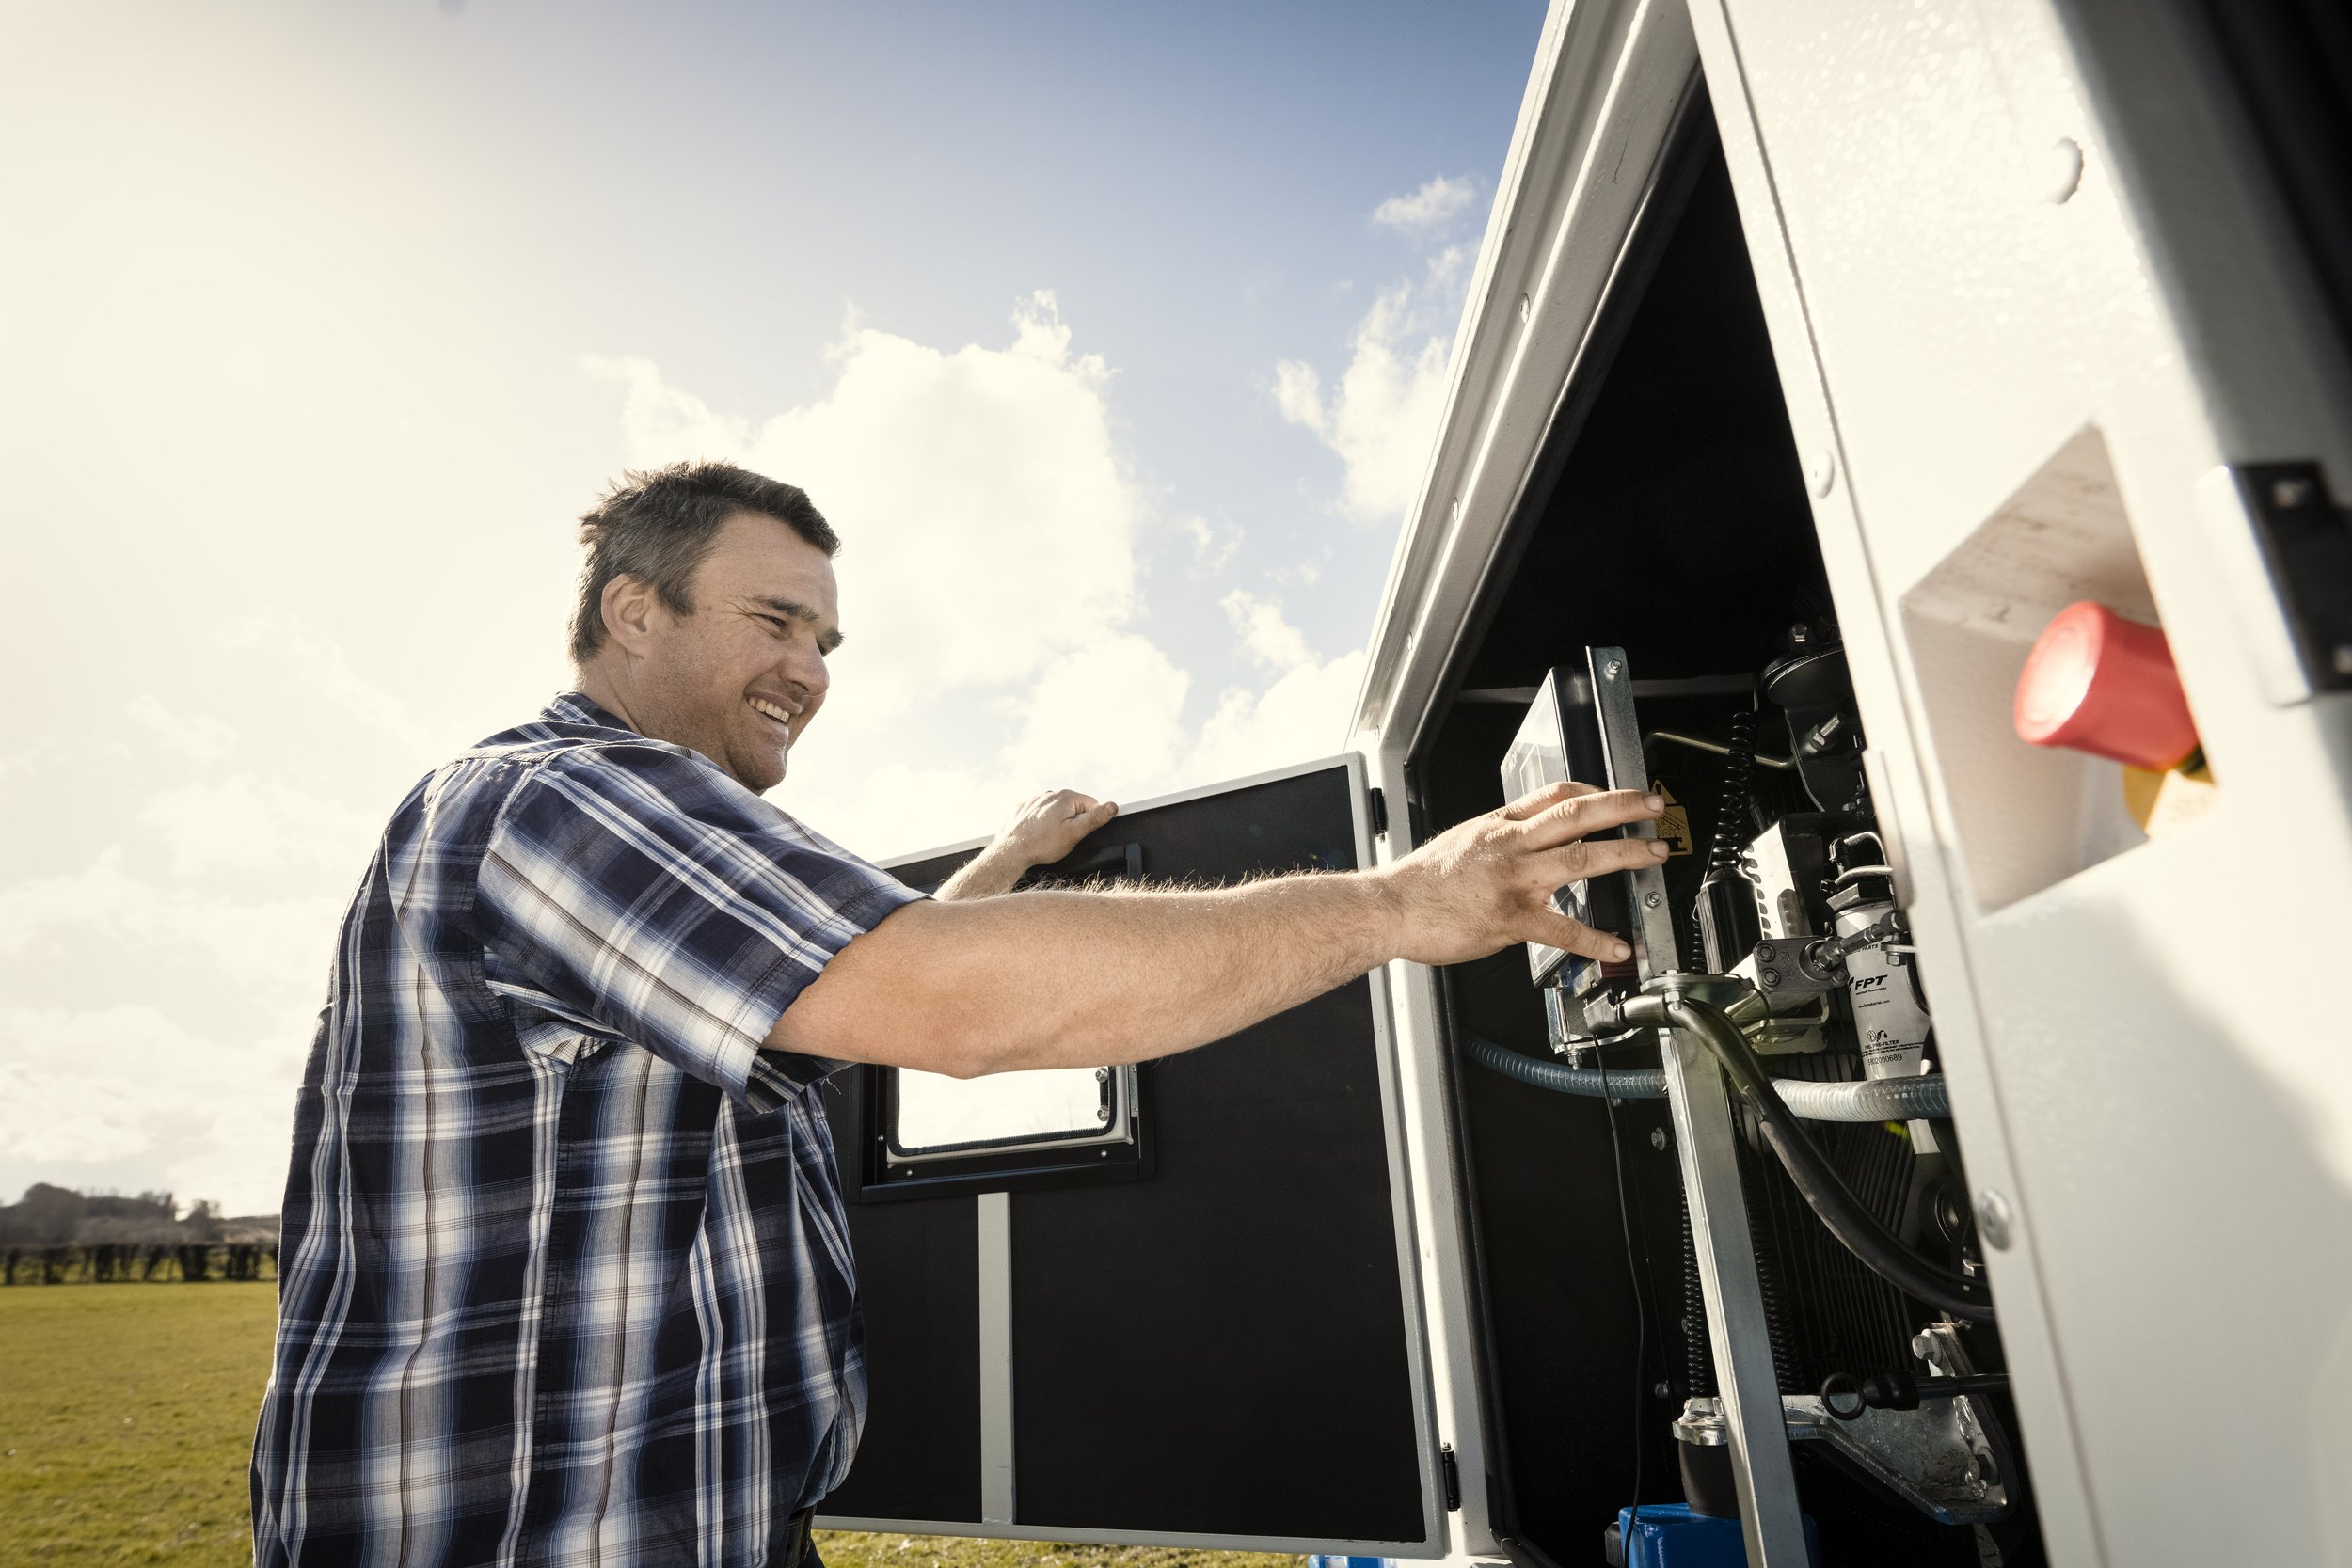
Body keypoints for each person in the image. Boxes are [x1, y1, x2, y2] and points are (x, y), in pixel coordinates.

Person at [248, 461, 1665, 1568]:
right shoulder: (567, 798)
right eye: (773, 621)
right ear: (633, 609)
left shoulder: (605, 827)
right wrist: (1400, 908)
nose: (810, 668)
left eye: (826, 638)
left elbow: (844, 984)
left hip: (686, 1525)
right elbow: (949, 1001)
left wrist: (1002, 866)